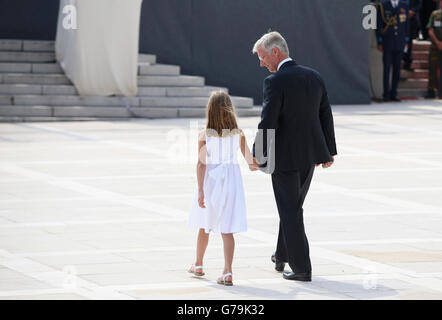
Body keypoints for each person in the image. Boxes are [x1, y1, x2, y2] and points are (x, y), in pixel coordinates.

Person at [250, 31, 337, 282]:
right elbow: (325, 114)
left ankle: (301, 268)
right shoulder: (314, 76)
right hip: (309, 157)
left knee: (290, 210)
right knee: (292, 208)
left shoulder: (274, 81)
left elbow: (268, 122)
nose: (261, 62)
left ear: (276, 51)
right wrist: (328, 151)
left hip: (285, 159)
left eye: (263, 56)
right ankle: (281, 255)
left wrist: (257, 154)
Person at [188, 91, 256, 286]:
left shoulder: (204, 135)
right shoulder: (238, 134)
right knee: (227, 228)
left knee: (204, 224)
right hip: (232, 183)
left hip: (210, 182)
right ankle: (227, 271)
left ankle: (199, 264)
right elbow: (251, 163)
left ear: (210, 110)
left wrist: (200, 190)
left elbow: (201, 165)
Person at [376, 0, 410, 101]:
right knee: (386, 69)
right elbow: (379, 24)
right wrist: (379, 41)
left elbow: (406, 24)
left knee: (397, 70)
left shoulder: (404, 5)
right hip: (387, 41)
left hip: (399, 42)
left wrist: (407, 39)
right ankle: (386, 94)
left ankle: (394, 93)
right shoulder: (383, 5)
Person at [425, 0, 442, 98]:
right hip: (435, 46)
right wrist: (438, 42)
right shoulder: (435, 14)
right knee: (432, 68)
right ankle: (430, 91)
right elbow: (430, 30)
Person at [403, 0, 422, 70]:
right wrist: (405, 12)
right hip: (400, 19)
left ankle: (407, 63)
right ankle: (402, 60)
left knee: (409, 42)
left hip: (412, 20)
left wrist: (412, 11)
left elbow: (419, 4)